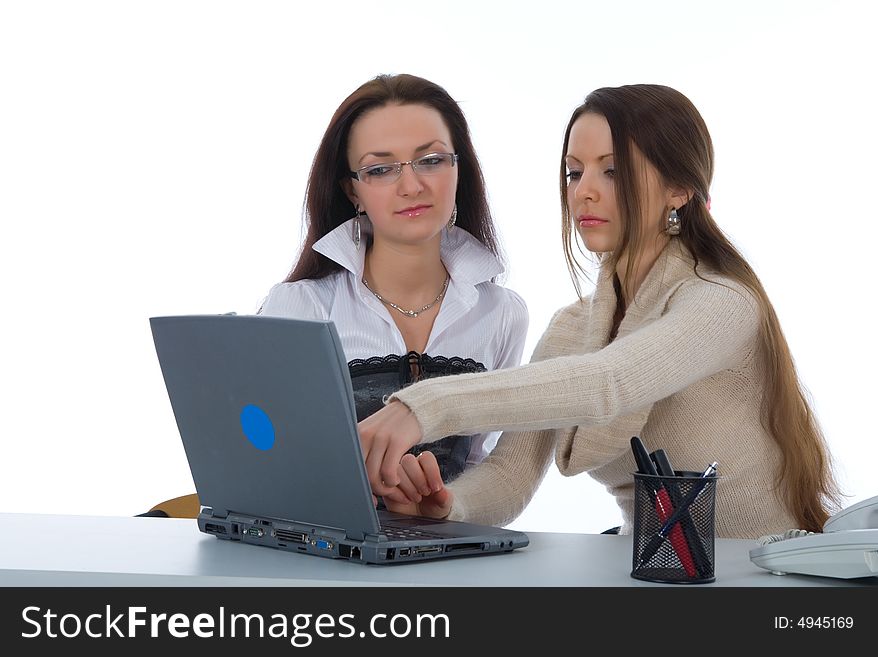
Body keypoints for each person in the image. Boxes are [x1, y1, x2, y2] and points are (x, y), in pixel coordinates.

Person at [357, 83, 842, 539]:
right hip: (653, 569)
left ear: (679, 189)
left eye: (612, 171)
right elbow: (511, 475)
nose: (583, 191)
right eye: (574, 171)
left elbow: (608, 382)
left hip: (762, 571)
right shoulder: (575, 326)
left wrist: (423, 407)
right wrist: (446, 506)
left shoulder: (722, 302)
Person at [259, 73, 528, 482]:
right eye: (381, 169)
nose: (411, 185)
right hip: (325, 543)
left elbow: (484, 469)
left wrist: (445, 508)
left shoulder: (503, 313)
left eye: (432, 160)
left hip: (454, 542)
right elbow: (266, 463)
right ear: (353, 192)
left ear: (459, 169)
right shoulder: (300, 307)